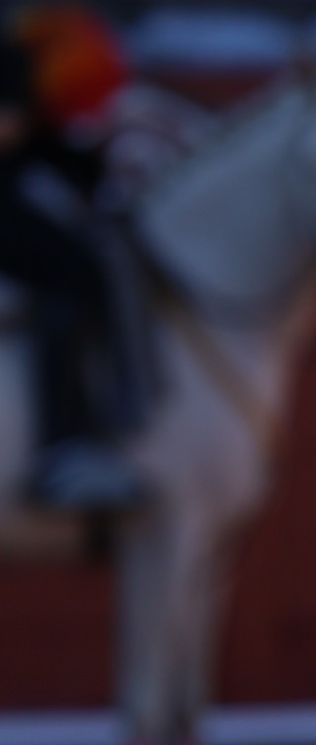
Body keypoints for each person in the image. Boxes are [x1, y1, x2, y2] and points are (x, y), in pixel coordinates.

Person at [0, 7, 143, 510]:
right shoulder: (22, 55)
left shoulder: (36, 49)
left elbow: (38, 145)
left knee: (93, 264)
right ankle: (64, 446)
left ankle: (96, 430)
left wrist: (95, 161)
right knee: (72, 273)